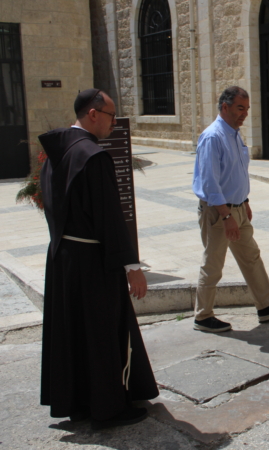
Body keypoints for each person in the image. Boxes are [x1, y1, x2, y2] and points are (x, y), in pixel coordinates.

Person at [39, 89, 158, 429]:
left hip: (63, 258)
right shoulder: (93, 156)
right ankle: (108, 407)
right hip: (93, 261)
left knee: (75, 333)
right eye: (111, 116)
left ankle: (79, 402)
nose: (114, 123)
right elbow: (110, 218)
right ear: (93, 114)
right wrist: (132, 267)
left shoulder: (56, 153)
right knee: (103, 332)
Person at [192, 86, 269, 333]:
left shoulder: (235, 134)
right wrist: (227, 215)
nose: (245, 114)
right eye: (240, 108)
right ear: (225, 107)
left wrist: (244, 201)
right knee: (213, 264)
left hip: (237, 209)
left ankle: (266, 305)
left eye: (247, 109)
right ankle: (202, 316)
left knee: (251, 257)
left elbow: (236, 173)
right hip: (220, 213)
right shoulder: (213, 137)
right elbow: (210, 184)